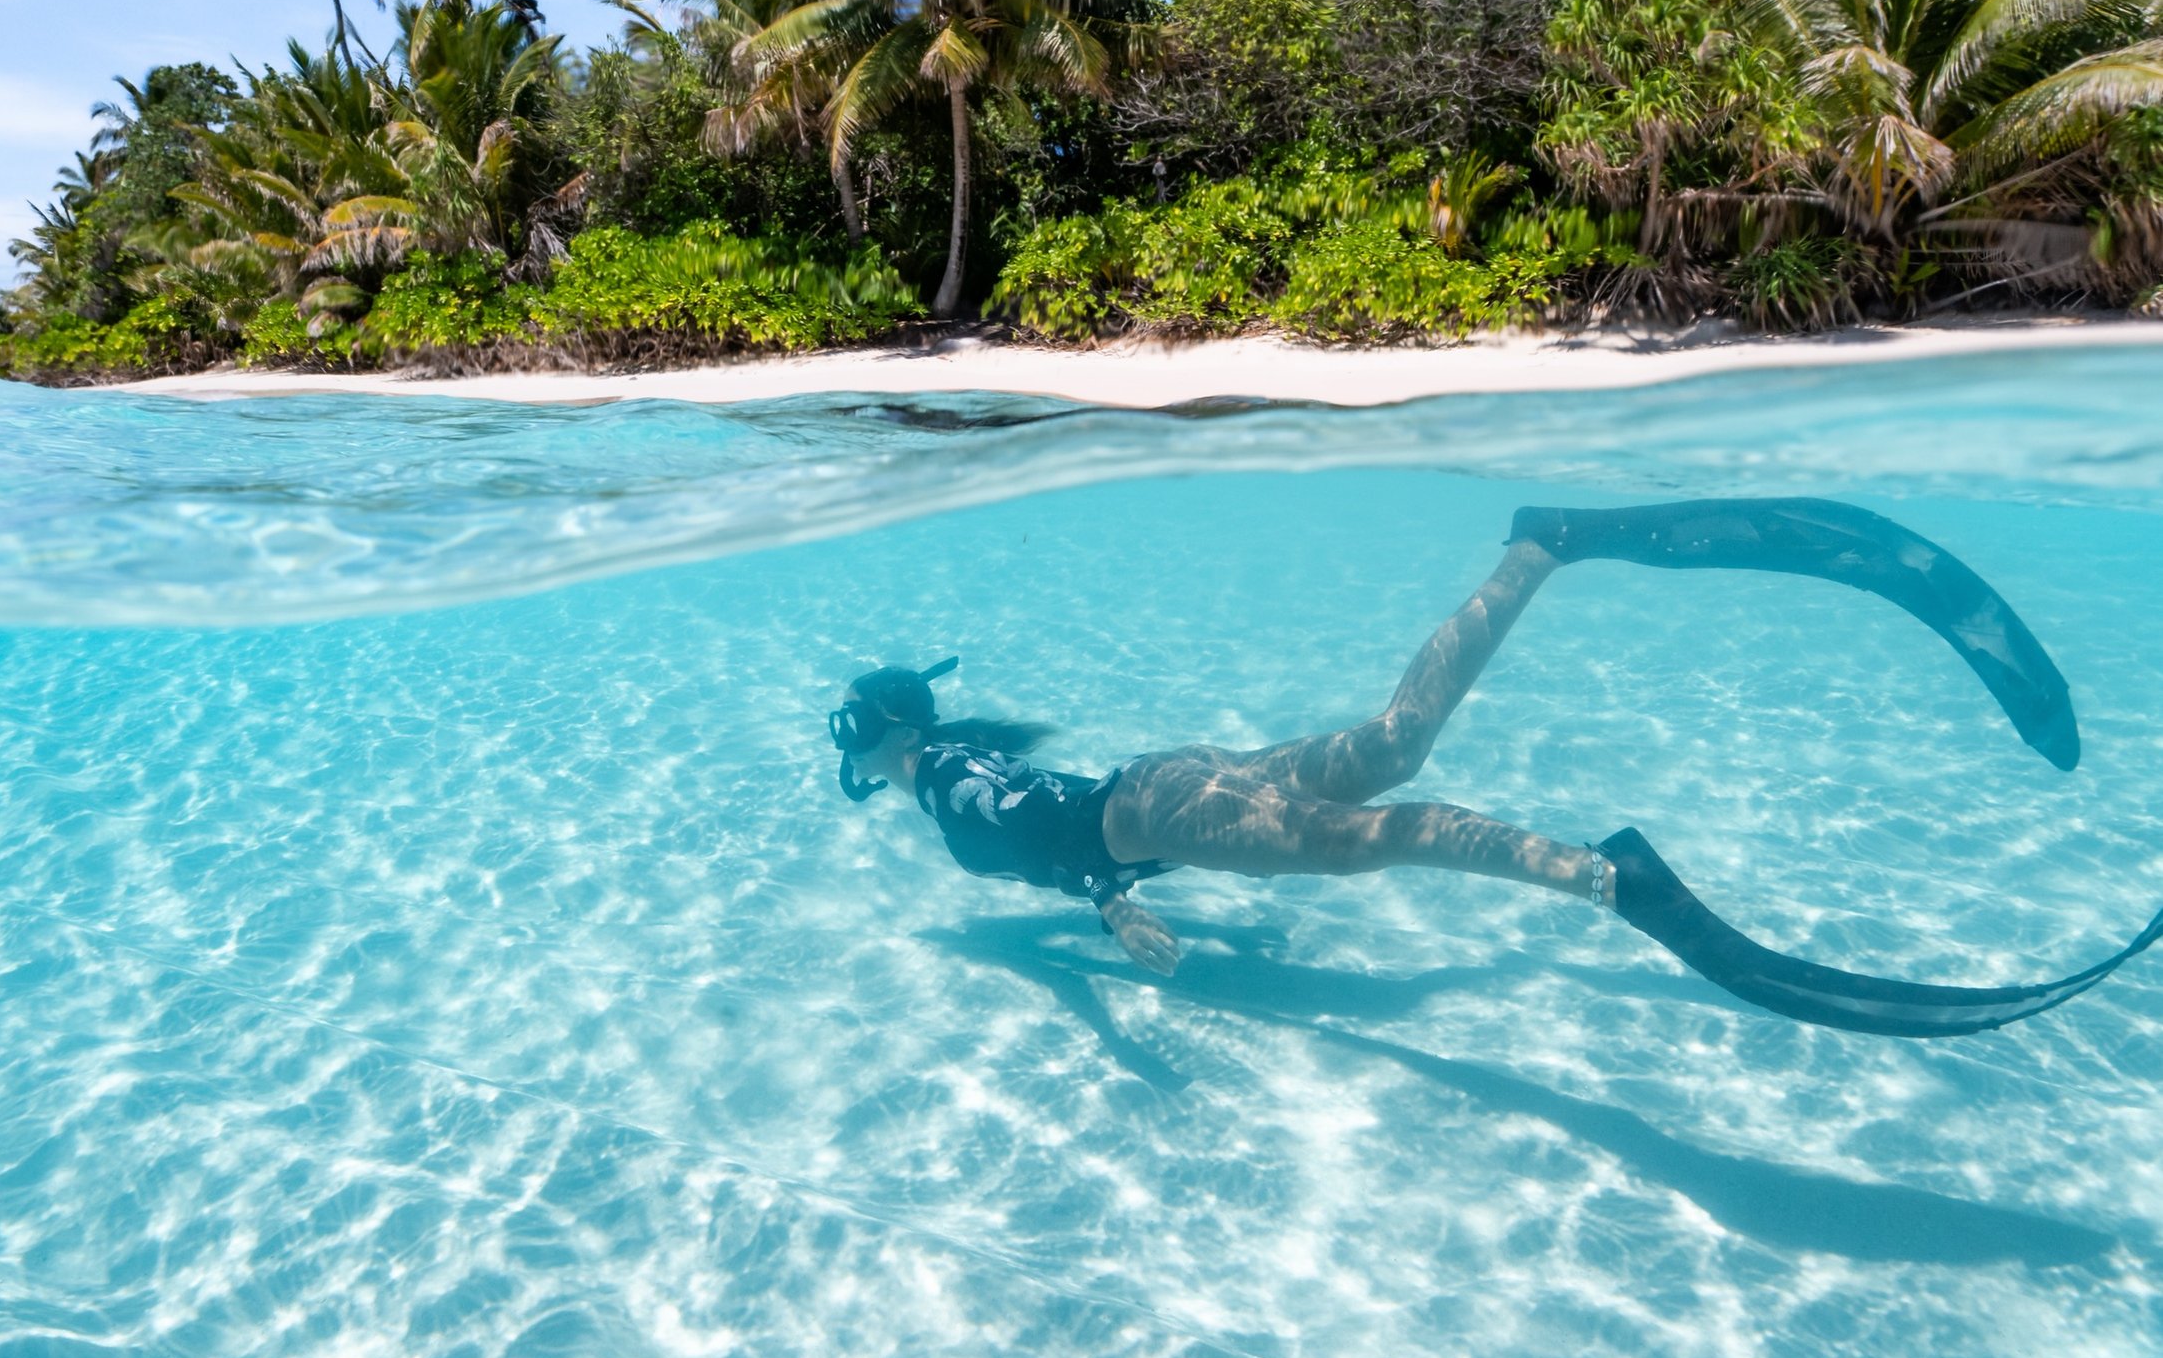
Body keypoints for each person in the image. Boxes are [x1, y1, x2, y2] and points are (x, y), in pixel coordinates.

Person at [826, 498, 2161, 1039]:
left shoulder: (942, 779)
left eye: (874, 762)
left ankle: (1607, 882)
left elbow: (1011, 819)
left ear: (881, 748)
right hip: (1172, 786)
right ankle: (1540, 546)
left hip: (1162, 811)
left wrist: (1099, 911)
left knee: (1390, 828)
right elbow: (1039, 819)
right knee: (1393, 743)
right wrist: (1109, 903)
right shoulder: (948, 757)